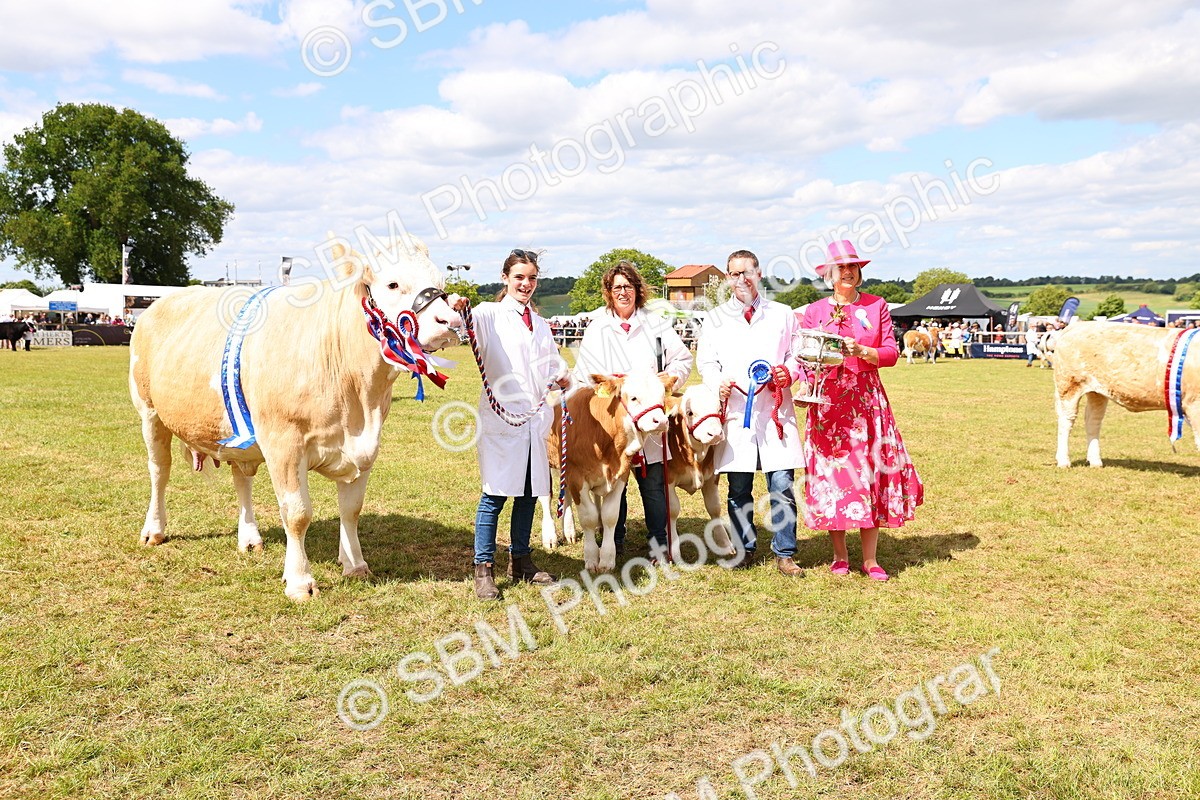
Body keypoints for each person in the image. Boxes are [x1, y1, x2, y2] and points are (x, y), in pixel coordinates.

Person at [800, 240, 923, 581]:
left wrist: (863, 351)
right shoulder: (814, 311)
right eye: (841, 267)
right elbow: (805, 356)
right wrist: (805, 385)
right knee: (833, 479)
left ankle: (870, 560)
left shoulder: (876, 305)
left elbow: (890, 354)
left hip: (867, 403)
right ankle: (839, 556)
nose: (848, 272)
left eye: (853, 267)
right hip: (827, 405)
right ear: (829, 274)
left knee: (870, 474)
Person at [453, 249, 569, 600]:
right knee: (495, 495)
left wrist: (562, 377)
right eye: (520, 277)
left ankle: (521, 560)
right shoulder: (490, 314)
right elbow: (463, 324)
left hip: (535, 421)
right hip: (502, 420)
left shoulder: (540, 322)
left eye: (532, 278)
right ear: (505, 277)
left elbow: (552, 363)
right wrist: (458, 308)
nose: (527, 284)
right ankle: (483, 568)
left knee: (530, 495)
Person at [572, 260, 692, 558]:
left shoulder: (657, 324)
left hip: (650, 416)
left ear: (638, 290)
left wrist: (668, 378)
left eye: (628, 286)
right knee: (614, 484)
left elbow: (683, 360)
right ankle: (616, 540)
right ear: (608, 292)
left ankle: (658, 544)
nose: (622, 292)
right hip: (613, 420)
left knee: (653, 484)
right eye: (616, 288)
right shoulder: (598, 327)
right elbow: (583, 374)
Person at [697, 249, 805, 576]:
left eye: (747, 272)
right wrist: (719, 382)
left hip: (775, 412)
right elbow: (706, 362)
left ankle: (785, 552)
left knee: (782, 484)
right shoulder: (715, 319)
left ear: (759, 273)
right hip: (736, 412)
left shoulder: (783, 314)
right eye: (734, 274)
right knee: (739, 488)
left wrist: (788, 373)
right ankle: (744, 548)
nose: (741, 279)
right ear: (727, 277)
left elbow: (796, 355)